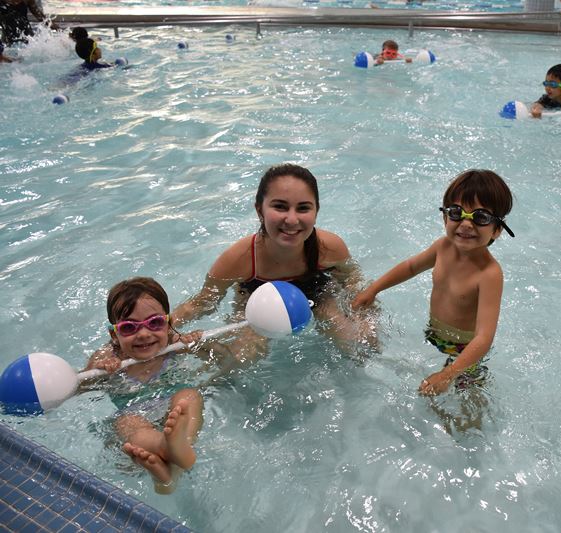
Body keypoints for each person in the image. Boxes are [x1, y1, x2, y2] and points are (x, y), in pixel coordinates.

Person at [173, 163, 374, 356]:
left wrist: (365, 319)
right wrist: (163, 329)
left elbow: (354, 282)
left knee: (356, 345)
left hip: (318, 293)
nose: (292, 220)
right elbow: (202, 302)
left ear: (316, 212)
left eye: (303, 208)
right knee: (243, 357)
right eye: (280, 207)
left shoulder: (329, 247)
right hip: (256, 303)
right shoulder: (239, 259)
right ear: (260, 210)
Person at [352, 169, 514, 396]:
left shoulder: (489, 274)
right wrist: (373, 289)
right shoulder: (442, 247)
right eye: (457, 212)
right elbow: (410, 267)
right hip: (434, 335)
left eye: (480, 217)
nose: (466, 224)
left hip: (464, 351)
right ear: (445, 217)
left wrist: (449, 374)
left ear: (497, 230)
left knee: (467, 404)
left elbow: (484, 337)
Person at [84, 277, 204, 494]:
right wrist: (98, 372)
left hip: (173, 408)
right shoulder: (106, 358)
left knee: (189, 396)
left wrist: (196, 344)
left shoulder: (176, 344)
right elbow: (81, 387)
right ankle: (166, 449)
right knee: (126, 422)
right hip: (134, 411)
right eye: (129, 327)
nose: (144, 334)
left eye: (155, 323)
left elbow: (216, 357)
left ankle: (174, 459)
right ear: (114, 334)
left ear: (168, 325)